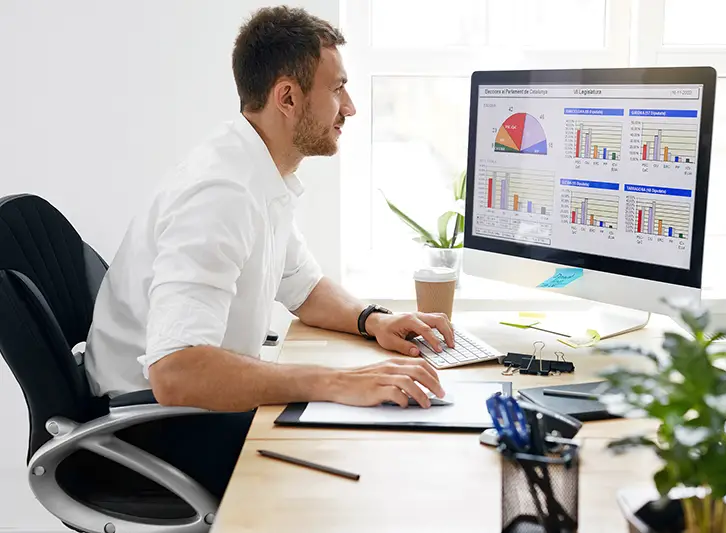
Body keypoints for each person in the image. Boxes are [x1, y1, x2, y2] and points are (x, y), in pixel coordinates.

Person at [80, 6, 455, 500]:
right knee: (365, 468)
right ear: (287, 96)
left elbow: (303, 286)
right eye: (338, 88)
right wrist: (338, 382)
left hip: (180, 413)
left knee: (371, 444)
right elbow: (175, 372)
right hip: (150, 435)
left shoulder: (256, 173)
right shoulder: (221, 194)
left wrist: (374, 320)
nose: (351, 107)